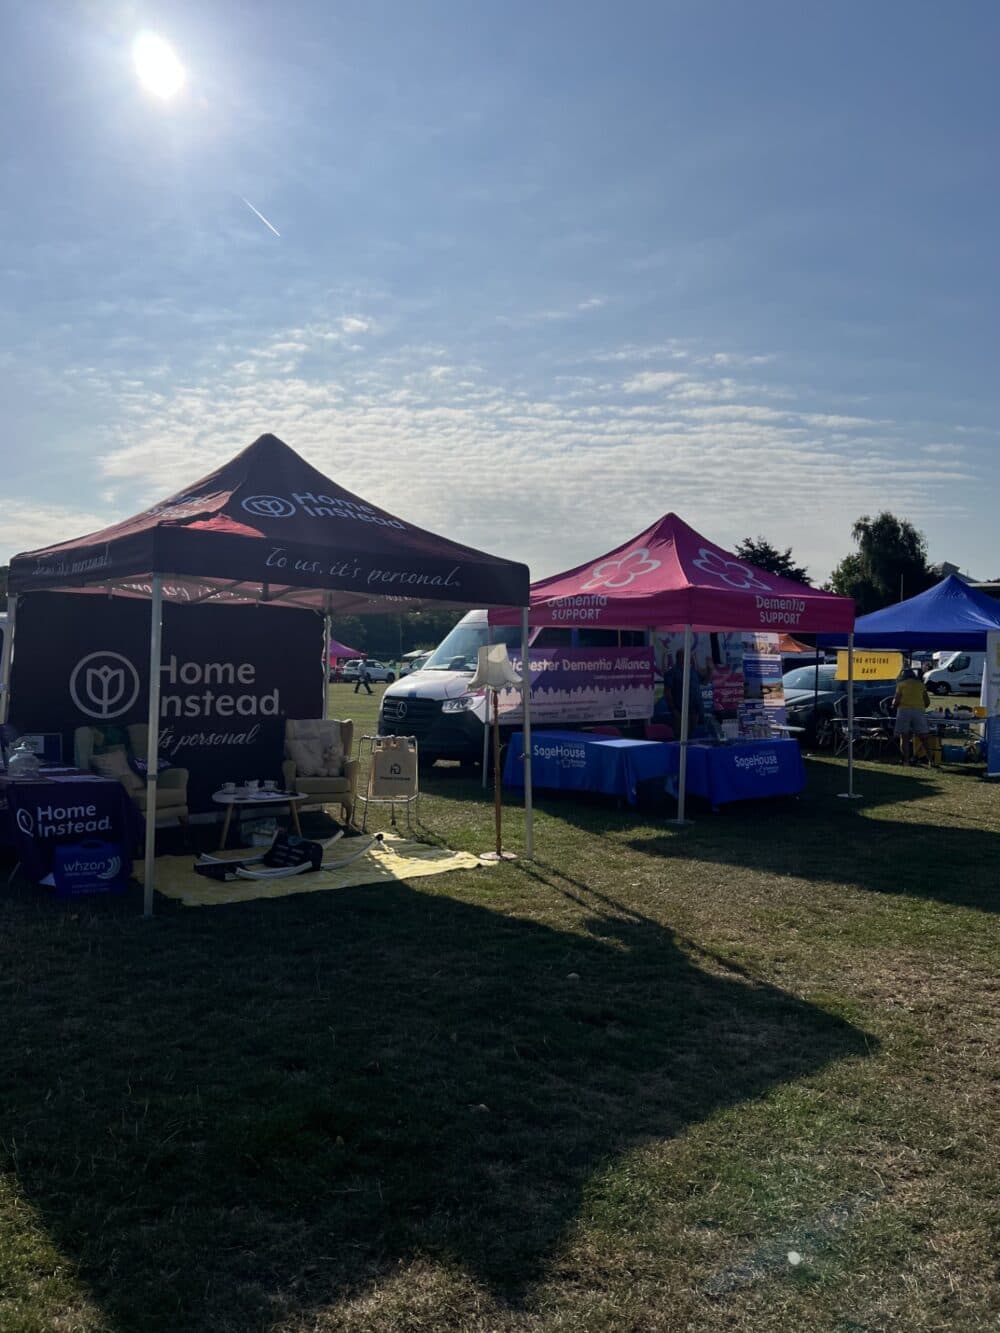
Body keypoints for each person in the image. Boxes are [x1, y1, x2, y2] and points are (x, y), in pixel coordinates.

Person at [663, 649, 705, 740]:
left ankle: (690, 752)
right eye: (687, 656)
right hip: (679, 711)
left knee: (691, 735)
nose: (690, 658)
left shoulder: (693, 671)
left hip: (694, 709)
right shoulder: (672, 672)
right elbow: (667, 692)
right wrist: (673, 709)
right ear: (680, 657)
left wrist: (710, 670)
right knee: (680, 736)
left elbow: (705, 681)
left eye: (690, 656)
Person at [893, 668, 930, 764]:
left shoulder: (901, 685)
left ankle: (905, 760)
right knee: (923, 736)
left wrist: (893, 705)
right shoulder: (920, 685)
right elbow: (927, 701)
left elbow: (896, 700)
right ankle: (930, 759)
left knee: (904, 736)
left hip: (904, 710)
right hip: (919, 710)